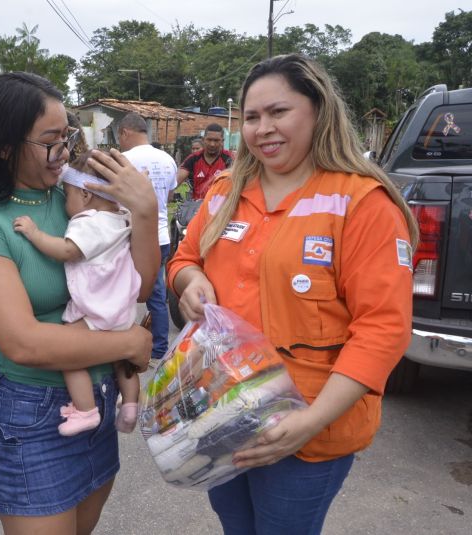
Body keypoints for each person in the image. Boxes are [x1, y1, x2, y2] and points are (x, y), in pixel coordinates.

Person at [167, 53, 417, 534]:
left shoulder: (361, 203)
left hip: (306, 433)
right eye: (253, 117)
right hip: (223, 414)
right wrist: (189, 281)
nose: (263, 128)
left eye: (279, 112)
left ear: (318, 111)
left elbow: (383, 331)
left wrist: (309, 422)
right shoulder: (225, 189)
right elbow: (184, 258)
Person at [0, 71, 157, 534]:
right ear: (4, 146)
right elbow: (24, 344)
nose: (63, 152)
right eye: (50, 141)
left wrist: (145, 212)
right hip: (32, 415)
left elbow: (136, 288)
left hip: (95, 404)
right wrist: (129, 343)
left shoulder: (78, 200)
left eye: (67, 137)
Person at [13, 152, 142, 436]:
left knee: (70, 354)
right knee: (122, 359)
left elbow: (68, 251)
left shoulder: (89, 221)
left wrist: (35, 234)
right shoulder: (121, 216)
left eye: (68, 194)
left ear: (85, 196)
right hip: (122, 307)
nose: (65, 201)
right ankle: (131, 404)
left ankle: (86, 410)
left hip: (96, 307)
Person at [117, 112, 178, 365]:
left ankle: (123, 345)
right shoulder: (167, 159)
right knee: (156, 293)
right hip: (161, 237)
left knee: (121, 292)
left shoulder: (122, 160)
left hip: (130, 236)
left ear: (125, 133)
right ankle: (160, 348)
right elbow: (171, 195)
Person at [176, 122, 233, 200]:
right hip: (198, 206)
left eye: (216, 140)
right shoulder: (193, 158)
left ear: (222, 141)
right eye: (209, 140)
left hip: (221, 207)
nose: (212, 144)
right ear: (203, 140)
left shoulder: (230, 158)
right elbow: (175, 181)